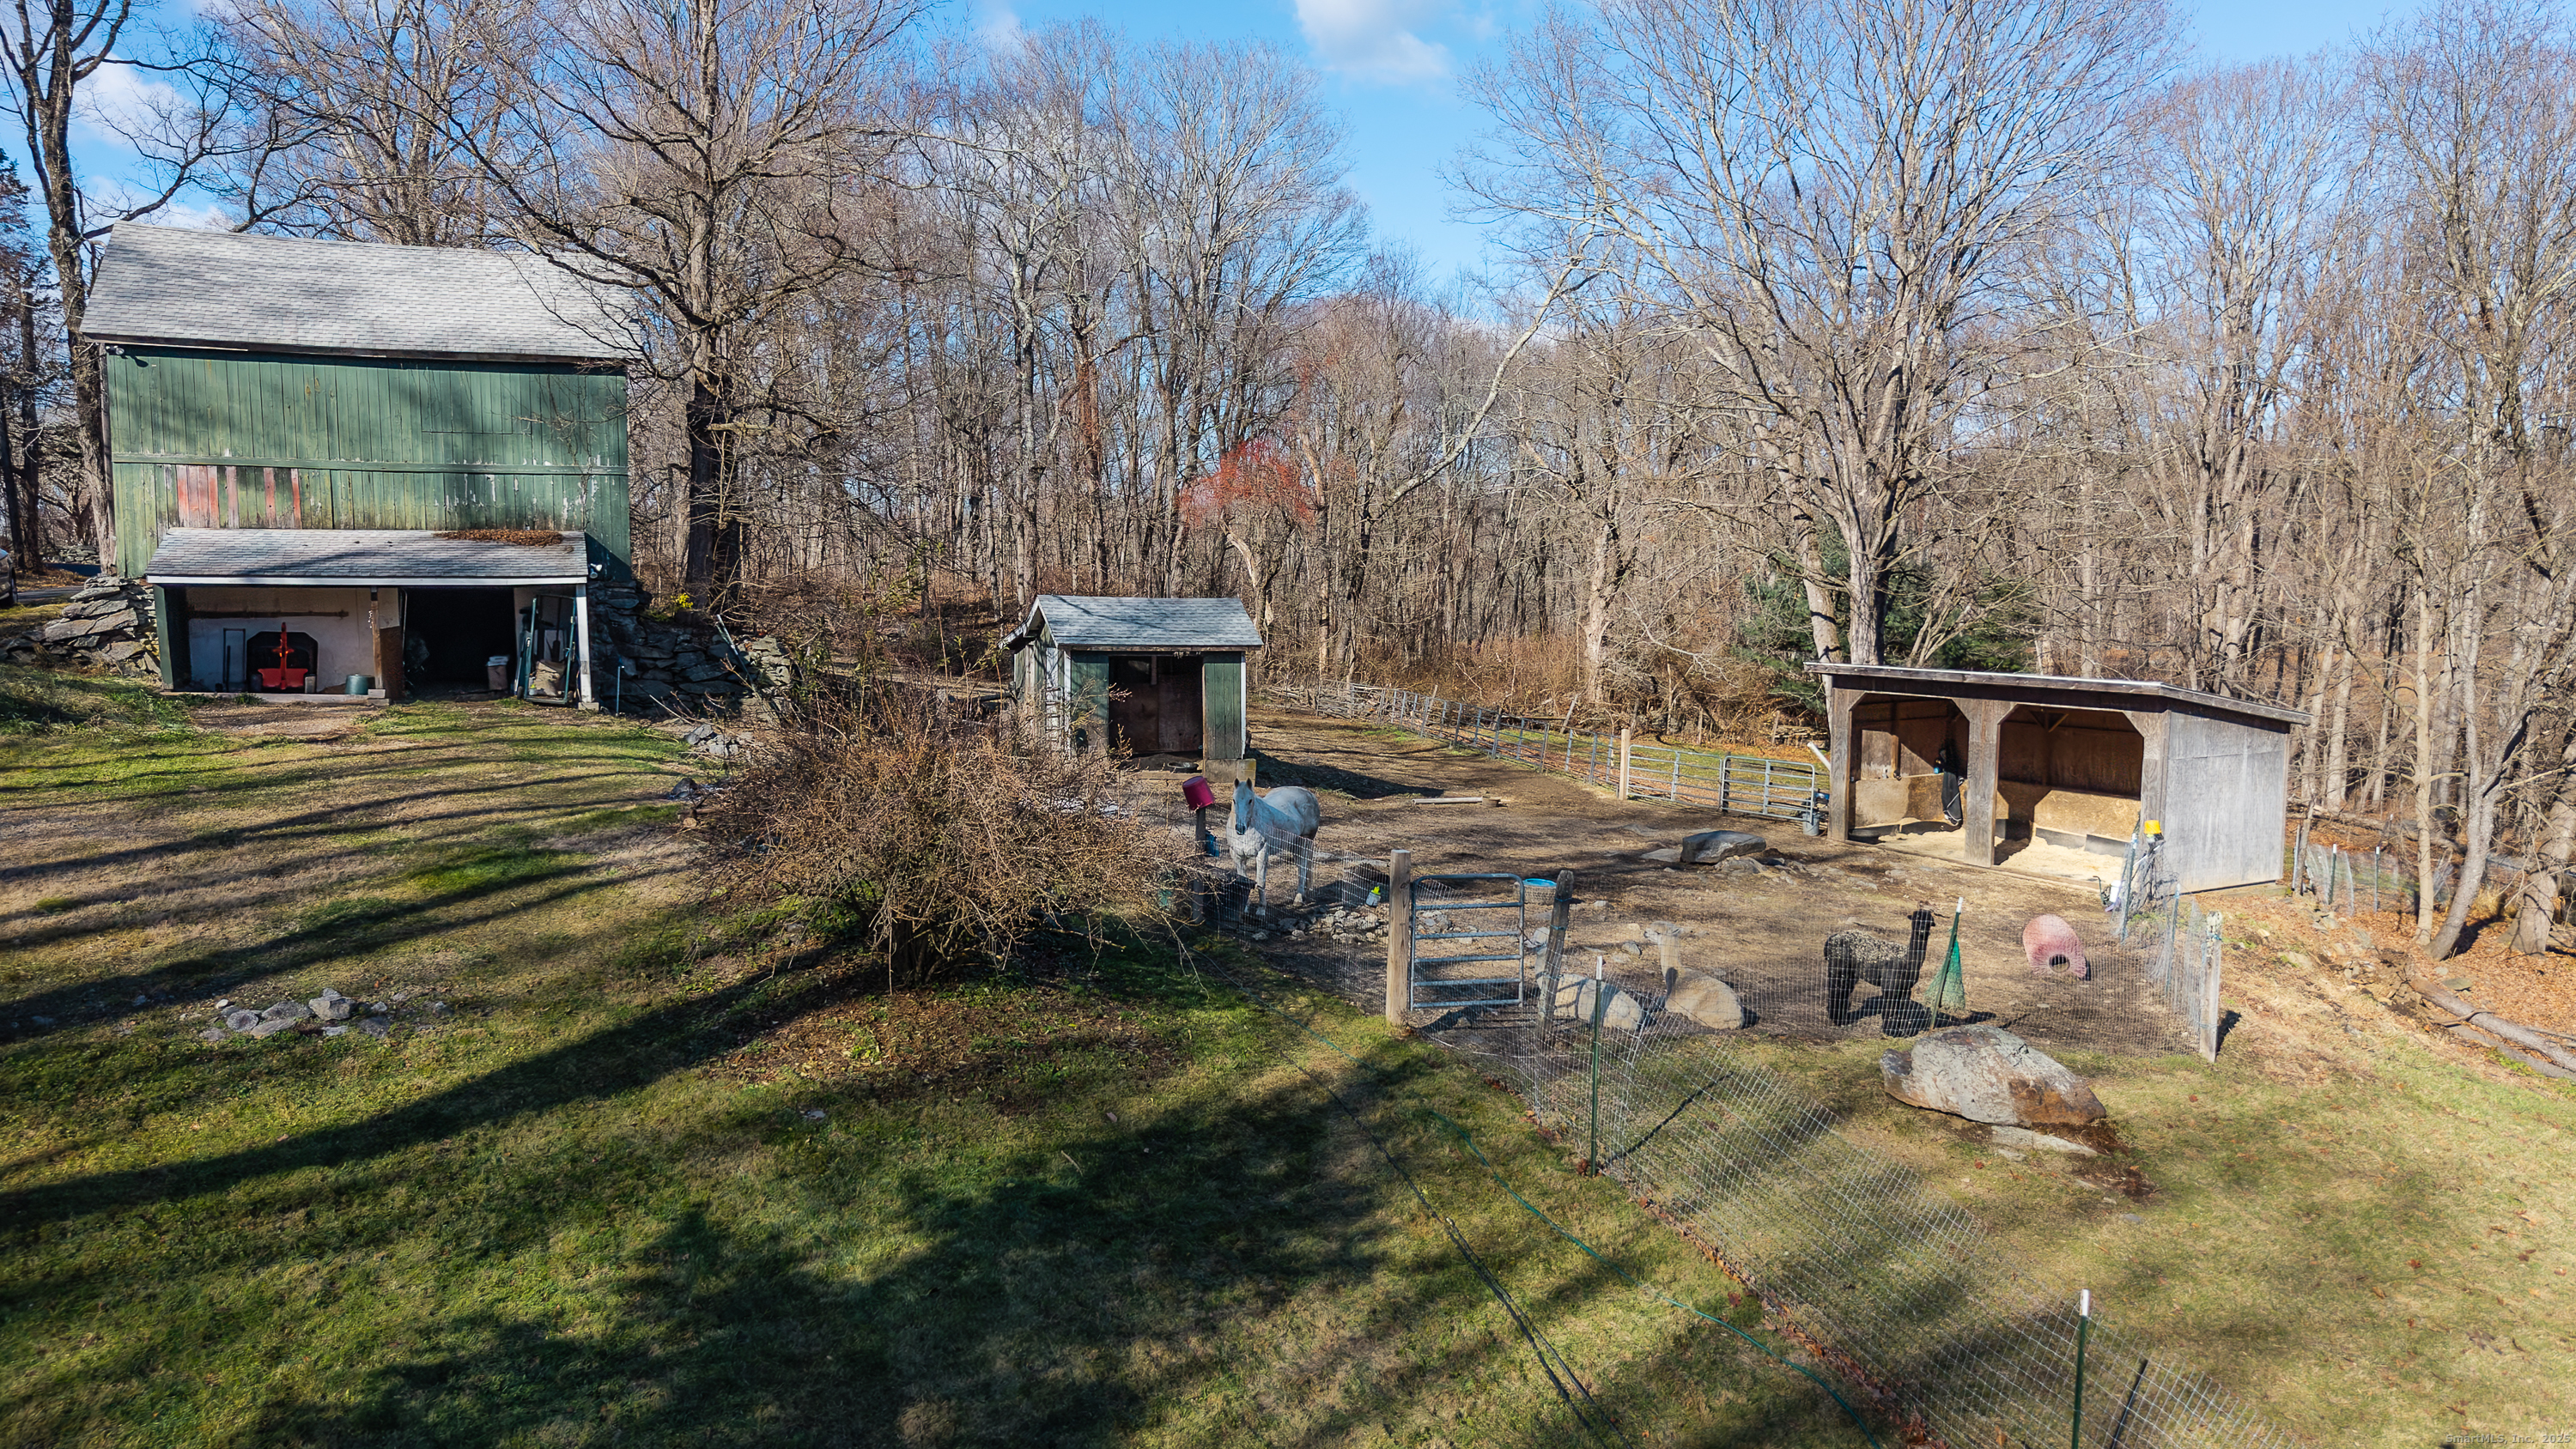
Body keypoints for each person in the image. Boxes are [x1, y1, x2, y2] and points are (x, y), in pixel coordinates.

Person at [1935, 738, 1963, 828]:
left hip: (1951, 776)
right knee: (1947, 794)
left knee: (1950, 793)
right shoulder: (1943, 763)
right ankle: (1952, 813)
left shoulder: (1951, 764)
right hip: (1949, 775)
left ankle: (1953, 814)